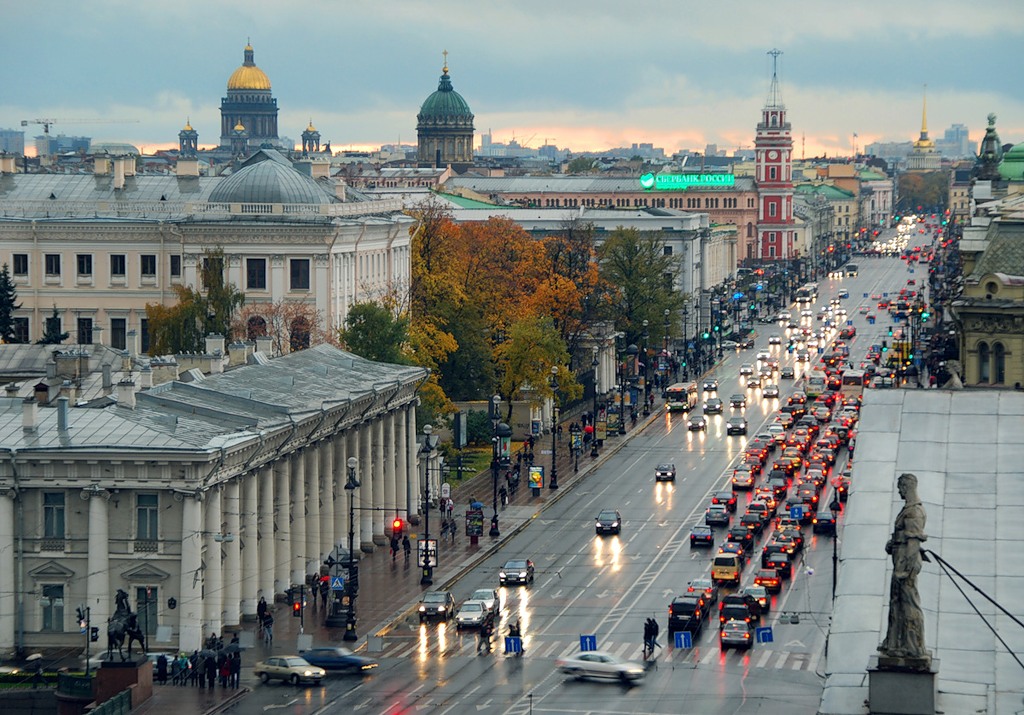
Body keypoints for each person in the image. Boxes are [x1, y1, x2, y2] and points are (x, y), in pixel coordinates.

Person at [879, 472, 929, 660]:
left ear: (907, 487)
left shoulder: (913, 511)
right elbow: (904, 537)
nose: (899, 491)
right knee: (896, 602)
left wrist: (905, 571)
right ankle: (894, 643)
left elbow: (913, 542)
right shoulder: (909, 508)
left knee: (908, 604)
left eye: (900, 488)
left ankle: (912, 647)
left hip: (904, 566)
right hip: (900, 561)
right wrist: (893, 544)